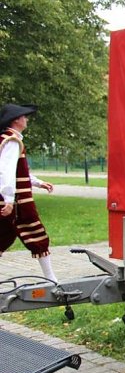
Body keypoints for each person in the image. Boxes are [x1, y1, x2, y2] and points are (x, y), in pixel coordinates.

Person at [0, 104, 57, 282]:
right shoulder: (11, 141)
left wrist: (38, 183)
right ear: (16, 120)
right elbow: (6, 171)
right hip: (18, 202)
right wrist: (9, 199)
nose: (27, 119)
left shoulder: (6, 138)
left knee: (3, 235)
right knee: (36, 233)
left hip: (11, 199)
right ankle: (52, 280)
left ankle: (51, 278)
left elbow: (19, 171)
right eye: (24, 116)